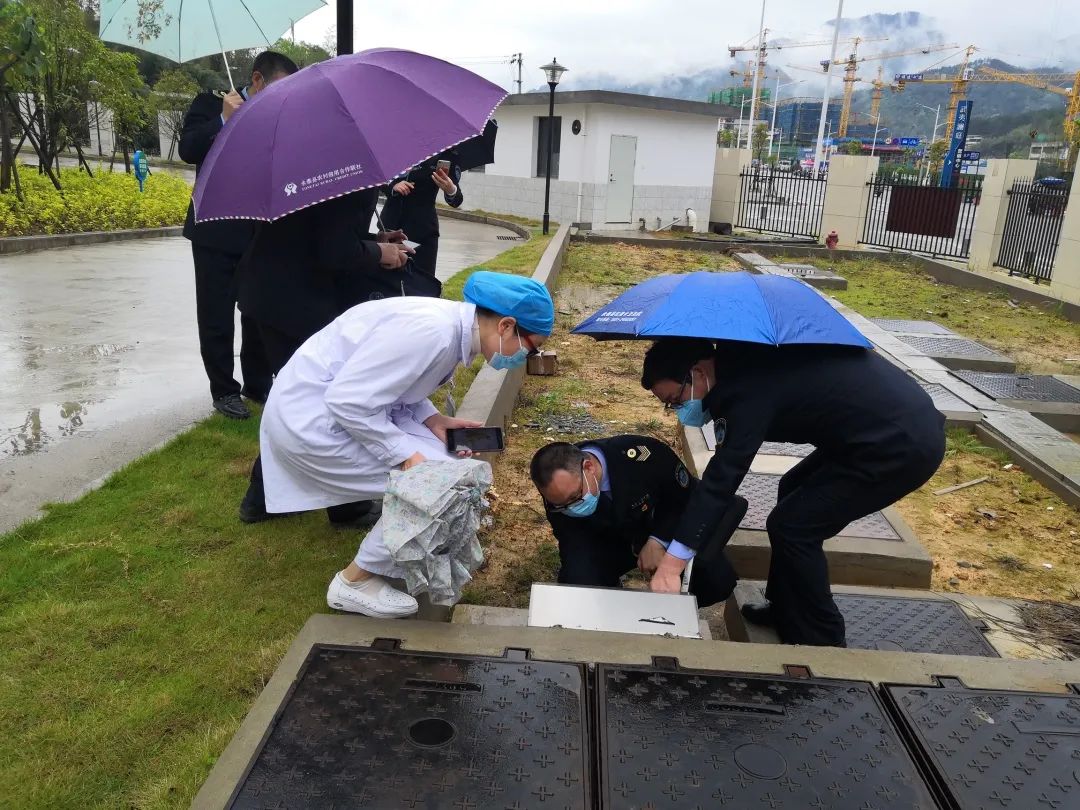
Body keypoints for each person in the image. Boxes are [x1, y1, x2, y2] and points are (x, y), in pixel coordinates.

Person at [254, 270, 554, 617]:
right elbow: (347, 401)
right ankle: (353, 582)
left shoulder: (448, 330)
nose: (526, 357)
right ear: (505, 326)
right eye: (531, 348)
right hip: (314, 425)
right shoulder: (432, 333)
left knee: (450, 472)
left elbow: (397, 384)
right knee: (444, 488)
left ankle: (407, 548)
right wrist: (406, 455)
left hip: (337, 410)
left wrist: (433, 420)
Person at [640, 338, 945, 648]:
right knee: (791, 490)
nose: (676, 410)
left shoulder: (747, 390)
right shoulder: (737, 362)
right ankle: (786, 608)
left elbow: (722, 480)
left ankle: (823, 639)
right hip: (872, 431)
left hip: (900, 445)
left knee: (795, 526)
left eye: (675, 399)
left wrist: (672, 564)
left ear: (698, 370)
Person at [179, 50, 299, 419]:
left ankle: (258, 384)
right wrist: (223, 120)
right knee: (215, 315)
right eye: (278, 87)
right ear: (257, 79)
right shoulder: (211, 105)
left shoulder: (276, 119)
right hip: (214, 230)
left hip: (258, 231)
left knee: (258, 312)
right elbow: (188, 150)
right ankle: (224, 391)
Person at [530, 437, 741, 607]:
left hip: (659, 529)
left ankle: (674, 612)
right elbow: (573, 542)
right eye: (562, 505)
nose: (571, 507)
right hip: (608, 540)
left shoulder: (645, 457)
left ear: (589, 467)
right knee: (579, 587)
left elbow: (684, 502)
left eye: (576, 497)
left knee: (716, 581)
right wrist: (583, 577)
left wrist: (659, 541)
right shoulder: (558, 495)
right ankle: (609, 598)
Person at [380, 159, 464, 279]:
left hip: (423, 231)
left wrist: (451, 190)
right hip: (390, 230)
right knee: (388, 282)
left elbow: (457, 200)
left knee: (422, 283)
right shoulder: (391, 150)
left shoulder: (443, 154)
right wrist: (393, 186)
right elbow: (377, 180)